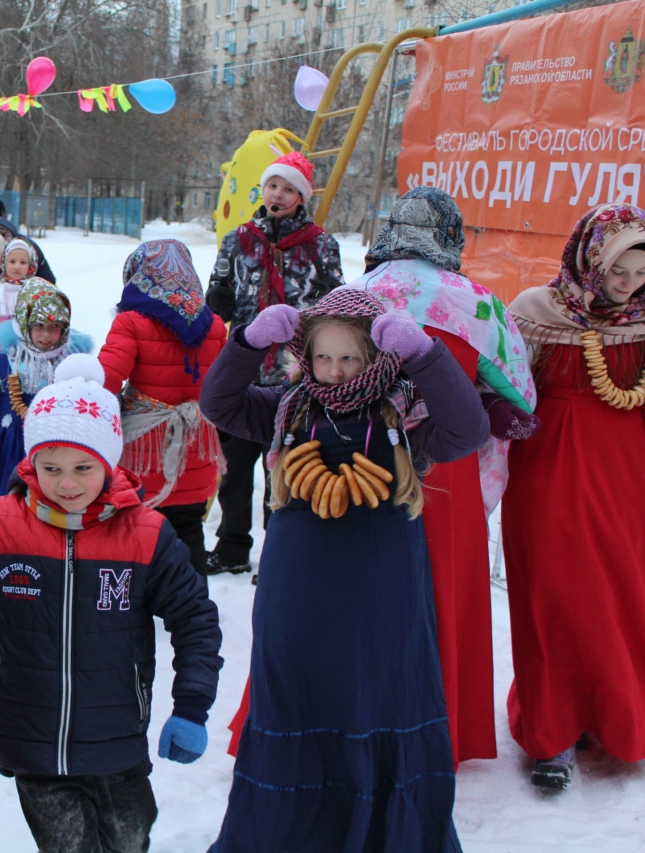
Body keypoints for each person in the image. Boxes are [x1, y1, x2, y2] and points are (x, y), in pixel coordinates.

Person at [199, 289, 487, 851]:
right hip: (297, 590)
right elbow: (219, 404)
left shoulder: (405, 410)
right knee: (296, 692)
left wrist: (425, 354)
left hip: (385, 591)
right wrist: (246, 343)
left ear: (377, 355)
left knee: (382, 694)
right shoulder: (290, 405)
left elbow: (469, 431)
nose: (334, 371)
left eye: (349, 358)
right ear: (305, 353)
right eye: (323, 356)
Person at [0, 354, 223, 853]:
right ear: (30, 464)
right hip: (29, 737)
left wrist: (192, 706)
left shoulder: (146, 535)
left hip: (116, 740)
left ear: (109, 463)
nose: (66, 484)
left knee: (127, 841)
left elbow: (194, 618)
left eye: (83, 468)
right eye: (50, 468)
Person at [344, 186, 539, 766]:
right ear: (452, 236)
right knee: (440, 593)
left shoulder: (352, 295)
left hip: (358, 461)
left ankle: (348, 720)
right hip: (443, 474)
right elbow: (519, 394)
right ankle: (435, 727)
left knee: (353, 594)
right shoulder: (477, 302)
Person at [503, 203, 645, 790]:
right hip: (548, 471)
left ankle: (620, 718)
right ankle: (552, 731)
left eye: (642, 274)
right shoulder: (534, 312)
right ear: (593, 255)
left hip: (625, 475)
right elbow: (505, 386)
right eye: (621, 270)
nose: (629, 284)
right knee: (555, 593)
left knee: (621, 592)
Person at [204, 151, 343, 575]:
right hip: (243, 371)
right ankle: (231, 546)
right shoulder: (237, 239)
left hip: (293, 375)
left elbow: (335, 305)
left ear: (300, 197)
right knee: (235, 470)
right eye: (272, 186)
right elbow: (218, 299)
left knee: (282, 468)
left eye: (287, 188)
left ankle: (277, 553)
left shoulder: (321, 244)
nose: (277, 194)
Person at [98, 239, 228, 574]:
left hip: (144, 452)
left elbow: (105, 381)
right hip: (196, 448)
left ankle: (136, 610)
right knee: (188, 531)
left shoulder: (132, 322)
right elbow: (223, 385)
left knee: (138, 532)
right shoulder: (213, 325)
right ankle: (193, 612)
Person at [0, 279, 93, 504]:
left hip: (55, 443)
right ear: (24, 325)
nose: (46, 334)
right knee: (5, 499)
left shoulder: (72, 363)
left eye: (54, 327)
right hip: (9, 443)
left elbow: (88, 399)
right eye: (38, 326)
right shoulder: (7, 361)